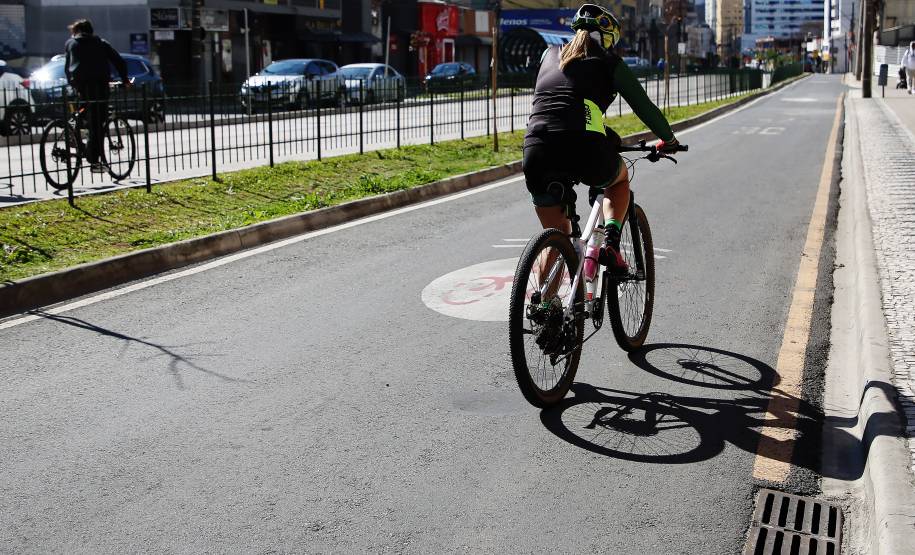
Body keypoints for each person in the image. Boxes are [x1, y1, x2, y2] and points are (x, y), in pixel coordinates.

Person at [522, 3, 678, 276]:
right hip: (583, 148)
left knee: (556, 236)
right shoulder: (609, 62)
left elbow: (562, 105)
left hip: (536, 147)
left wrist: (605, 134)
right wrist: (669, 139)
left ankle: (545, 308)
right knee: (618, 180)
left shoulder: (549, 54)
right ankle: (612, 244)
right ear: (609, 38)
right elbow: (645, 108)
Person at [64, 19, 129, 172]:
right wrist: (125, 79)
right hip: (99, 86)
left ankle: (75, 135)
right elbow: (119, 61)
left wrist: (72, 83)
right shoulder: (101, 43)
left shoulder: (70, 44)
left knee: (83, 113)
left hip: (80, 86)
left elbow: (67, 68)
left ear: (76, 31)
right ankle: (94, 162)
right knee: (97, 123)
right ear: (91, 31)